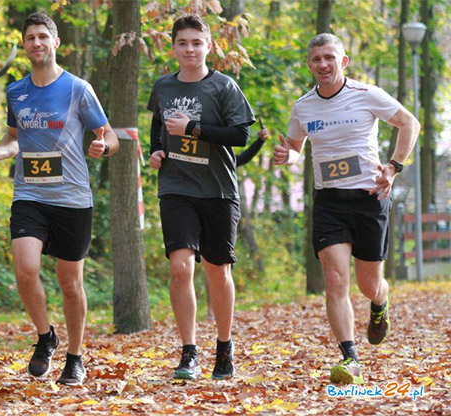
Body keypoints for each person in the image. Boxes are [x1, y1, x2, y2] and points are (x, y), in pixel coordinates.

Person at [0, 12, 118, 386]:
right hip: (30, 194)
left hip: (72, 197)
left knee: (70, 283)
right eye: (29, 38)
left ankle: (75, 356)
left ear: (55, 43)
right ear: (24, 46)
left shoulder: (78, 89)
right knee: (25, 271)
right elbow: (13, 139)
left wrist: (103, 146)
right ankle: (45, 337)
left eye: (43, 36)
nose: (36, 43)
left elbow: (111, 136)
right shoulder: (16, 92)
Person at [273, 33, 419, 385]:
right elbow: (295, 146)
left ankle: (380, 303)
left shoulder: (366, 95)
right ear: (309, 65)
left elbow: (409, 123)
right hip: (329, 203)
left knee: (369, 284)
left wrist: (394, 166)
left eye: (329, 57)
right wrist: (287, 156)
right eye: (316, 60)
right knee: (336, 280)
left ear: (343, 61)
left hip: (369, 199)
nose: (323, 65)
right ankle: (349, 358)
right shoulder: (303, 106)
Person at [147, 14, 255, 380]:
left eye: (196, 43)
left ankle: (224, 347)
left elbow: (240, 135)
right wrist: (156, 151)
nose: (189, 49)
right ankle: (189, 351)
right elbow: (158, 125)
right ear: (173, 47)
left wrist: (193, 128)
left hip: (218, 189)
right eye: (183, 43)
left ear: (209, 46)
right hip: (176, 187)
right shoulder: (163, 86)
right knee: (180, 268)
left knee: (218, 271)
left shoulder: (224, 86)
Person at [204, 123, 269, 322]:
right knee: (209, 264)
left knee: (223, 264)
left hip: (225, 208)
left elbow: (242, 158)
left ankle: (220, 309)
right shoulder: (205, 155)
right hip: (202, 206)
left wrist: (260, 141)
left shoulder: (227, 157)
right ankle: (210, 311)